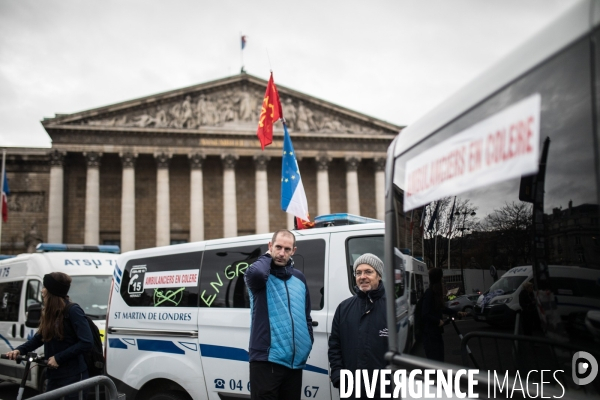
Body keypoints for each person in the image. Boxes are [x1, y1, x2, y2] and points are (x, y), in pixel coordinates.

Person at [244, 229, 313, 400]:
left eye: (287, 249)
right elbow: (256, 273)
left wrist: (307, 343)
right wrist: (267, 257)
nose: (282, 253)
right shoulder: (261, 277)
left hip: (294, 364)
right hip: (267, 361)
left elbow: (306, 316)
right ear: (270, 246)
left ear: (293, 251)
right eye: (278, 247)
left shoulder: (299, 278)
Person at [5, 272, 92, 399]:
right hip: (53, 376)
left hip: (73, 377)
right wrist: (19, 350)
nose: (42, 290)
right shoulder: (51, 312)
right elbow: (40, 338)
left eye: (45, 287)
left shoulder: (73, 311)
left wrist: (58, 358)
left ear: (52, 291)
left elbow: (86, 342)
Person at [328, 253, 388, 399]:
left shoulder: (392, 308)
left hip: (383, 390)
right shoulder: (344, 308)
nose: (362, 276)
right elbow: (335, 346)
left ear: (379, 275)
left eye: (368, 272)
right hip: (351, 389)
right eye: (358, 272)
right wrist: (338, 376)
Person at [421, 268, 467, 362]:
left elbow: (442, 308)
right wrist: (438, 321)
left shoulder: (434, 294)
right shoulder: (429, 293)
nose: (442, 280)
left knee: (439, 361)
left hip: (436, 333)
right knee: (436, 362)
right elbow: (425, 313)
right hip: (430, 335)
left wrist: (456, 313)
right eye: (441, 278)